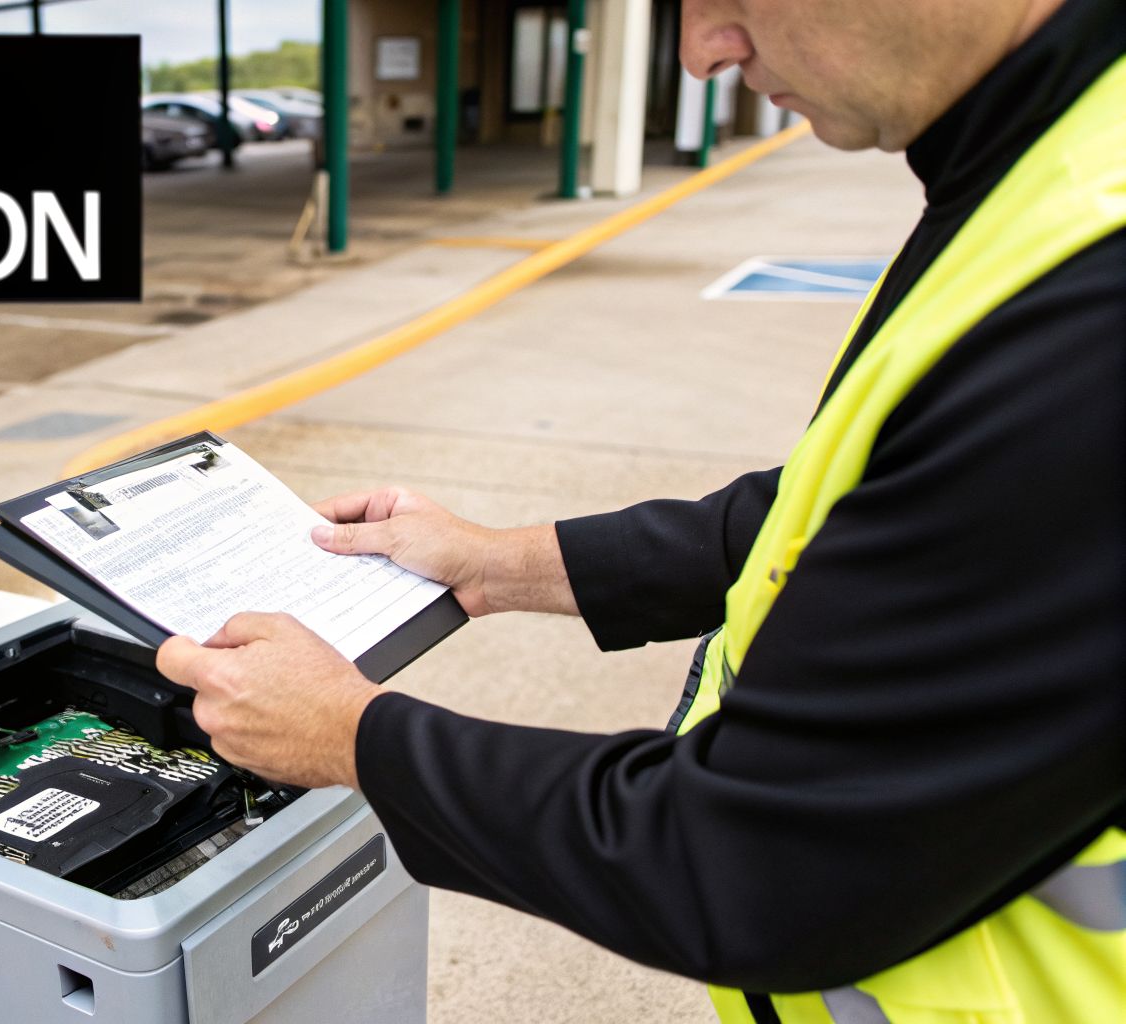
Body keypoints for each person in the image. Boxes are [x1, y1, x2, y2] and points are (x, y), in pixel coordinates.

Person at [155, 0, 1126, 1020]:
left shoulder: (1091, 306)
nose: (704, 50)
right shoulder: (1046, 172)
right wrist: (497, 562)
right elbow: (854, 510)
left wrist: (355, 736)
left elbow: (762, 865)